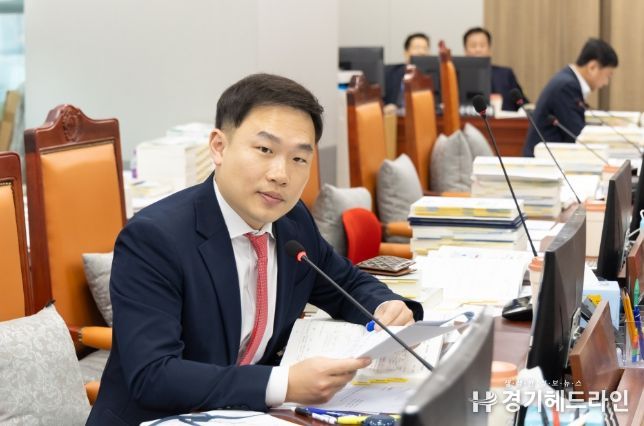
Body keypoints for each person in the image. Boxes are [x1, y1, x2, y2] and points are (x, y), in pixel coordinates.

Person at [87, 73, 423, 425]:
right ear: (219, 147)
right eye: (265, 150)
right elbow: (154, 375)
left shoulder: (293, 221)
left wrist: (385, 305)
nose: (281, 175)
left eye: (299, 159)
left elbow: (345, 283)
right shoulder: (155, 239)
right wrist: (283, 384)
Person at [522, 38, 618, 156]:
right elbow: (578, 134)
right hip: (543, 161)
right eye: (608, 76)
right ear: (592, 67)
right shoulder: (567, 86)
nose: (606, 83)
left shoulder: (568, 80)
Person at [463, 26, 527, 112]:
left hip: (504, 120)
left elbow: (522, 104)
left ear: (489, 49)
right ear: (465, 50)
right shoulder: (457, 77)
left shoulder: (505, 74)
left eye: (482, 45)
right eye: (473, 46)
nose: (478, 50)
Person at [383, 32, 430, 109]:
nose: (422, 52)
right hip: (396, 114)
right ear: (406, 53)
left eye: (425, 48)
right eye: (417, 48)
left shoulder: (432, 76)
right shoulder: (390, 73)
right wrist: (386, 108)